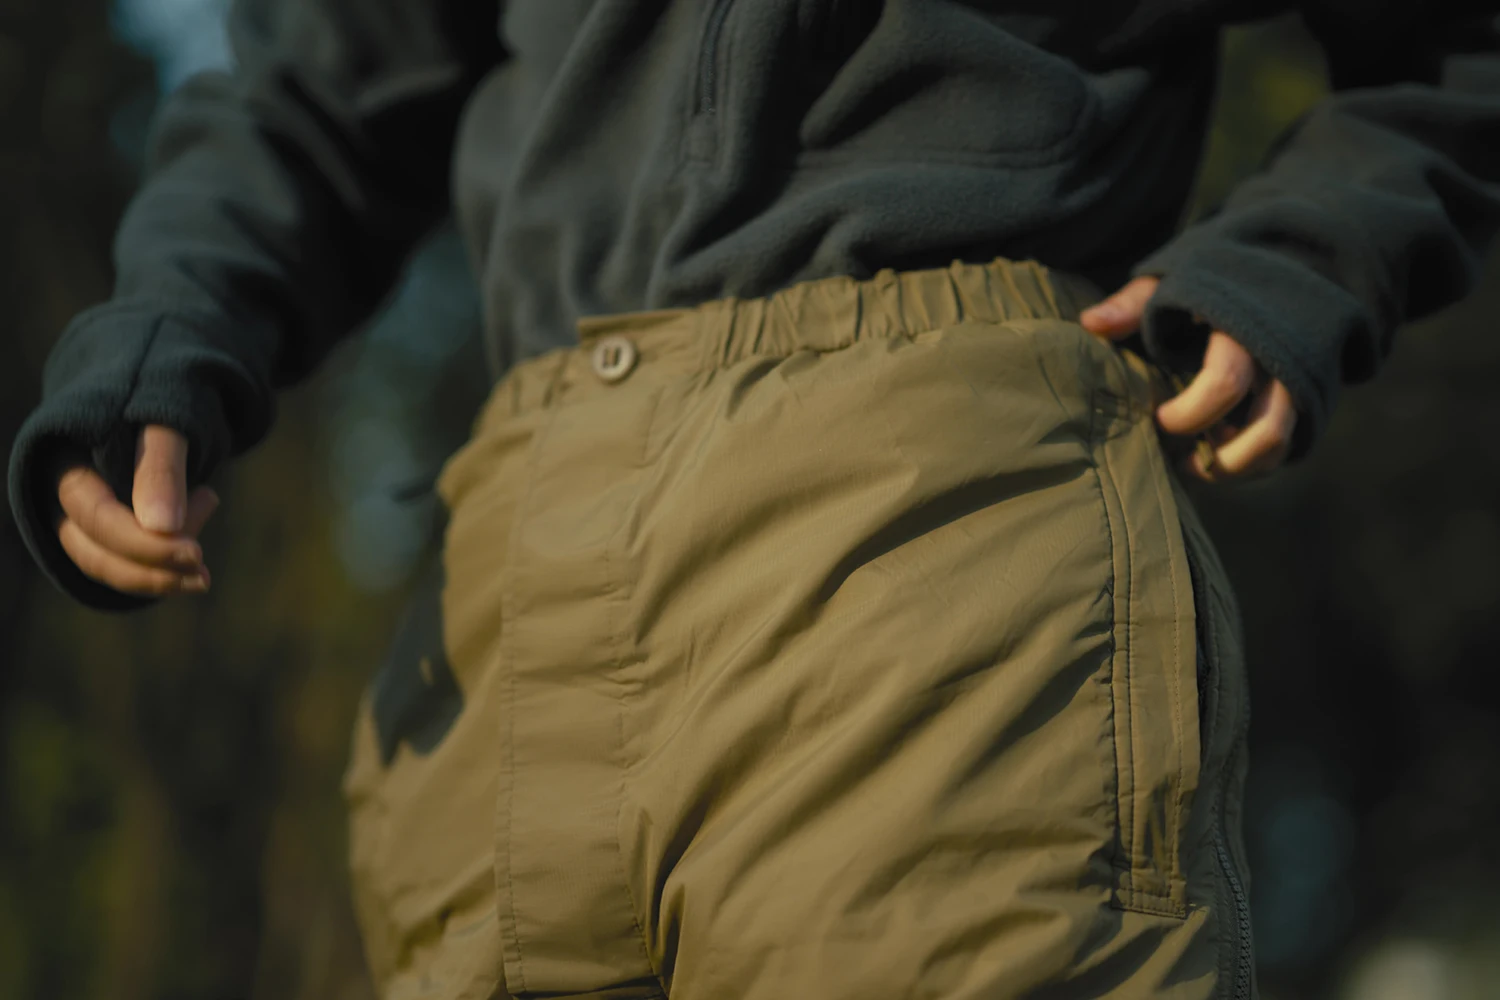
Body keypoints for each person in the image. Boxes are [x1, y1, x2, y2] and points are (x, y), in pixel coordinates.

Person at [9, 1, 1498, 996]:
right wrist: (171, 323)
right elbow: (321, 83)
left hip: (936, 532)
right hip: (505, 590)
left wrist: (1308, 248)